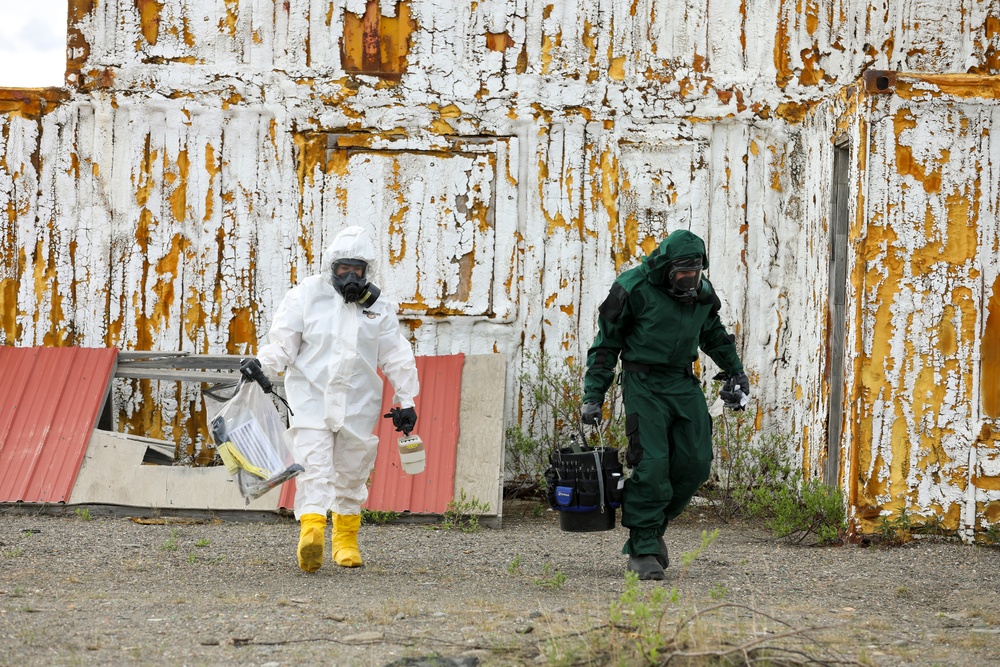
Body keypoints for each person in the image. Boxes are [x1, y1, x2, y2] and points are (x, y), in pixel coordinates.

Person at [241, 225, 420, 573]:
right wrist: (261, 364)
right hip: (310, 400)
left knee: (352, 472)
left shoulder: (378, 306)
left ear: (368, 271)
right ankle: (311, 533)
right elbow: (284, 343)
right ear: (331, 267)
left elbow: (396, 353)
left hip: (358, 404)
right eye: (343, 269)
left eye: (358, 270)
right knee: (314, 466)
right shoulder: (306, 295)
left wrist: (407, 397)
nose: (350, 277)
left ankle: (346, 541)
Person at [580, 229, 749, 580]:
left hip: (681, 381)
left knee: (696, 463)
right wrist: (593, 396)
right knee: (653, 464)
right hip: (643, 383)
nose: (689, 281)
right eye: (682, 275)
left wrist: (736, 371)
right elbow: (605, 345)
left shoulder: (701, 294)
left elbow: (713, 334)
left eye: (695, 274)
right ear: (666, 269)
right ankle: (642, 548)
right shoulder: (633, 287)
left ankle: (653, 528)